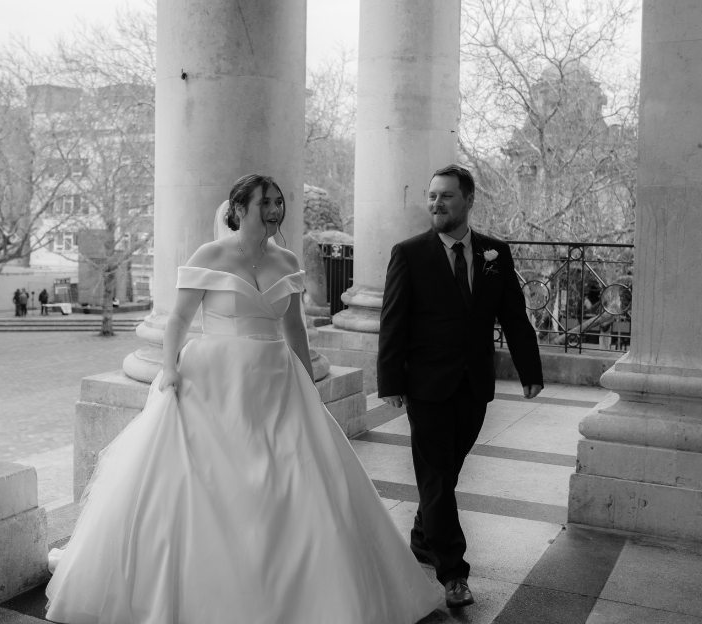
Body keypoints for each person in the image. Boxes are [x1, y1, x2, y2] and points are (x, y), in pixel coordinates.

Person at [45, 174, 442, 624]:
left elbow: (294, 328)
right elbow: (177, 318)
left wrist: (309, 386)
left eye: (278, 202)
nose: (274, 211)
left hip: (276, 380)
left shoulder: (287, 259)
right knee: (206, 483)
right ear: (238, 208)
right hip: (213, 380)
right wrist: (170, 368)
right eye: (265, 203)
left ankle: (301, 593)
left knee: (292, 479)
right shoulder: (210, 255)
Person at [378, 164, 544, 610]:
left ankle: (421, 537)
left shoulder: (495, 253)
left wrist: (530, 371)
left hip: (474, 385)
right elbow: (392, 322)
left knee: (446, 475)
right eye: (432, 196)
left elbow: (513, 314)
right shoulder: (409, 253)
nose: (436, 203)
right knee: (435, 477)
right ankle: (453, 573)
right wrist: (391, 380)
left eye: (446, 196)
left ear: (469, 201)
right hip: (427, 385)